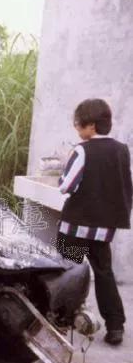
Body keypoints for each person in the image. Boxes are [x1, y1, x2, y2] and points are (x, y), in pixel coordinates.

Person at [56, 99, 132, 345]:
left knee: (69, 272)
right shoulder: (122, 150)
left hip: (76, 227)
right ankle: (115, 326)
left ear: (90, 125)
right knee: (104, 273)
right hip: (103, 230)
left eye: (78, 125)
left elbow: (67, 186)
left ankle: (62, 320)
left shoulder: (82, 150)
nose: (77, 130)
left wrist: (61, 175)